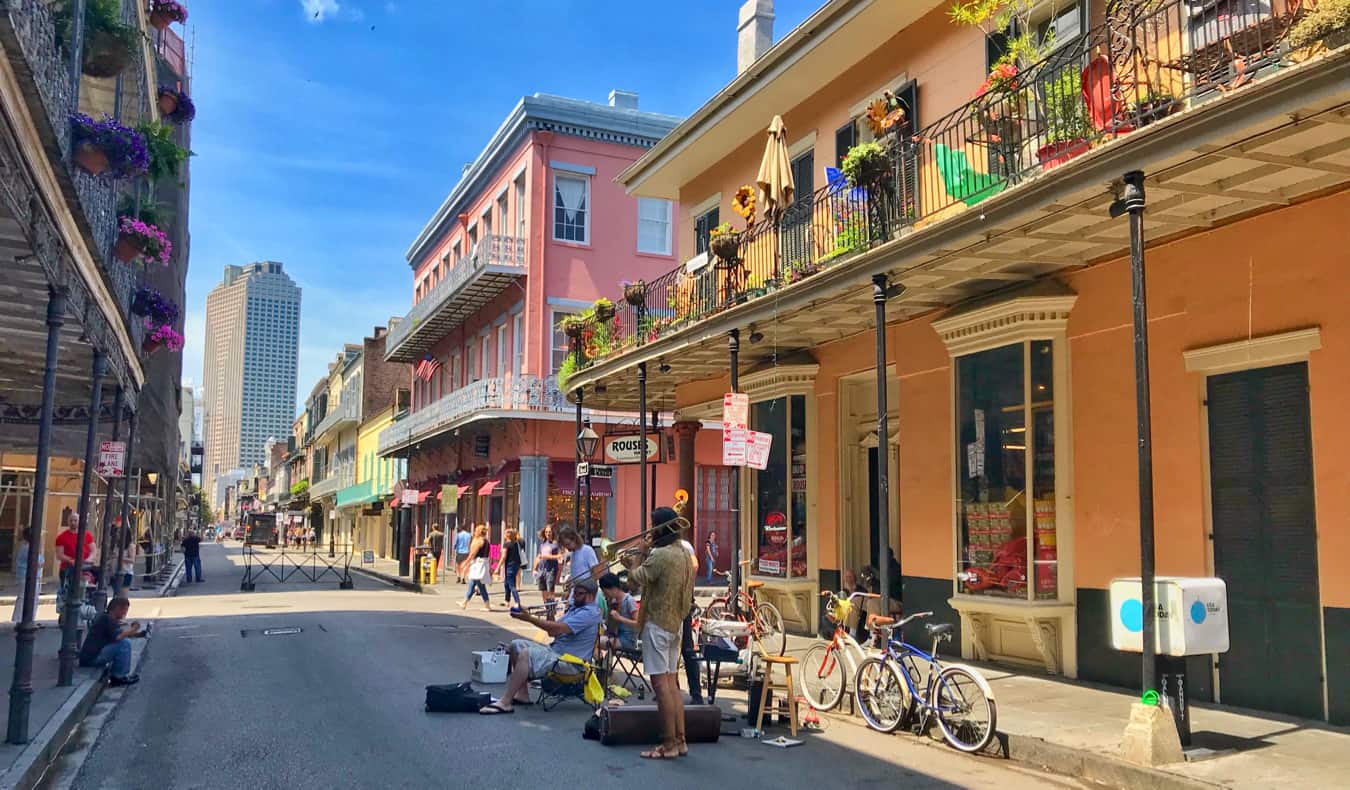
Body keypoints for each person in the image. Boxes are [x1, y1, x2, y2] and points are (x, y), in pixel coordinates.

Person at [622, 507, 696, 759]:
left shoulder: (660, 555)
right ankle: (681, 740)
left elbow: (635, 579)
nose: (650, 530)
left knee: (661, 686)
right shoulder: (684, 553)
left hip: (656, 624)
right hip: (676, 623)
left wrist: (637, 557)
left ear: (660, 527)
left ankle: (668, 743)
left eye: (653, 525)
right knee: (672, 684)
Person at [478, 578, 602, 714]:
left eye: (579, 594)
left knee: (527, 653)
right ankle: (522, 695)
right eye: (575, 593)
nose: (574, 597)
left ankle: (505, 702)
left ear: (591, 595)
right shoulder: (576, 609)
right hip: (557, 654)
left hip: (572, 663)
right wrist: (550, 611)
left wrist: (530, 618)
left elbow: (556, 629)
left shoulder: (589, 613)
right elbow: (551, 632)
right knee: (516, 645)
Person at [78, 596, 141, 686]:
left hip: (90, 657)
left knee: (124, 642)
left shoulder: (106, 618)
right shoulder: (107, 619)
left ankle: (118, 673)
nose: (125, 613)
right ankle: (119, 676)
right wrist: (134, 629)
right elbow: (118, 637)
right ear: (118, 608)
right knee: (124, 644)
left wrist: (136, 633)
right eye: (125, 610)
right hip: (91, 658)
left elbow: (119, 634)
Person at [55, 510, 95, 603]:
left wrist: (88, 561)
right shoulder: (61, 537)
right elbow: (59, 555)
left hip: (84, 568)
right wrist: (71, 560)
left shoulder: (87, 535)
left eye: (75, 520)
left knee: (84, 592)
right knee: (67, 593)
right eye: (71, 520)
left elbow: (93, 550)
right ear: (68, 521)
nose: (73, 522)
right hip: (67, 569)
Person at [598, 572, 639, 652]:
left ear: (613, 588)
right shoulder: (613, 601)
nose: (604, 595)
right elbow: (607, 623)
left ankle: (600, 661)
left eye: (605, 592)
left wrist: (620, 618)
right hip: (614, 635)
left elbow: (638, 623)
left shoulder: (628, 600)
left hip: (628, 640)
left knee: (597, 642)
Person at [11, 528, 43, 623]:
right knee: (29, 598)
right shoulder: (29, 548)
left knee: (24, 598)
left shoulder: (24, 547)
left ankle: (20, 619)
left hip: (26, 576)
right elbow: (38, 563)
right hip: (28, 576)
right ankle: (23, 619)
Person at [458, 525, 492, 611]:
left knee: (478, 585)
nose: (474, 532)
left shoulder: (479, 541)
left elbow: (473, 554)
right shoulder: (486, 541)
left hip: (478, 564)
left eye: (476, 530)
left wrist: (466, 563)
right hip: (482, 563)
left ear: (479, 532)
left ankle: (486, 605)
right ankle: (465, 602)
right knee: (474, 583)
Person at [494, 527, 525, 609]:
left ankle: (517, 602)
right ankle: (506, 601)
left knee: (511, 585)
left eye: (505, 533)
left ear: (507, 535)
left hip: (510, 566)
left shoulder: (507, 544)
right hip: (516, 565)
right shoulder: (516, 543)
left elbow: (503, 557)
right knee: (507, 583)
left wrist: (497, 568)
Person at [533, 525, 561, 605]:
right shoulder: (543, 544)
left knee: (550, 590)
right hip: (542, 569)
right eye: (546, 532)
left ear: (552, 533)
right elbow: (539, 556)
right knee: (543, 589)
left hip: (551, 569)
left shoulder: (555, 544)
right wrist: (534, 568)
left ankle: (551, 608)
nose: (548, 533)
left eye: (549, 532)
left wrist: (548, 557)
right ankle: (546, 606)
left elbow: (559, 556)